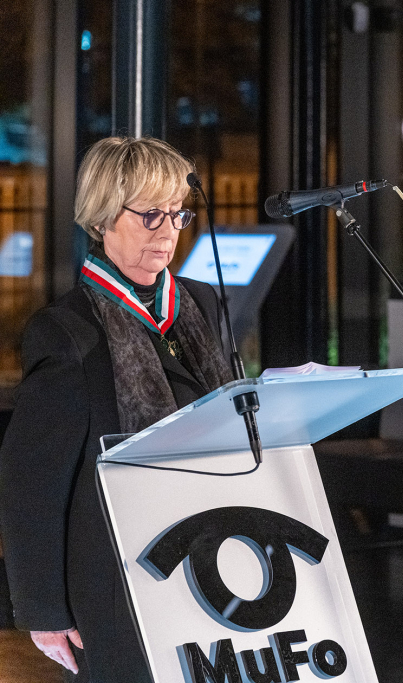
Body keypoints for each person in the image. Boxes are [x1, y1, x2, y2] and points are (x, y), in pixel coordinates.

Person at [0, 136, 233, 681]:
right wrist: (43, 613)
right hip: (114, 573)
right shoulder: (66, 332)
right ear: (103, 219)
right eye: (151, 214)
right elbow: (32, 481)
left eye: (177, 214)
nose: (169, 232)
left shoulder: (199, 302)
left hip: (210, 545)